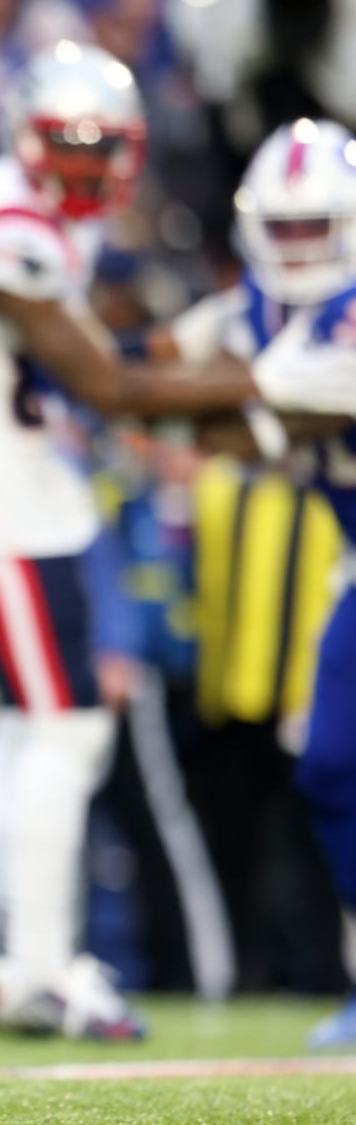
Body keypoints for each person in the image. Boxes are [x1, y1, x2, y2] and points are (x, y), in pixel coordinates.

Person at [0, 42, 270, 1040]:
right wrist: (269, 376)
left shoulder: (30, 216)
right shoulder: (8, 230)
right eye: (68, 142)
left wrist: (186, 347)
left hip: (7, 489)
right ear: (26, 137)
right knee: (63, 728)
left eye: (104, 145)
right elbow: (105, 387)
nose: (88, 164)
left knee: (30, 725)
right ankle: (39, 970)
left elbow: (101, 355)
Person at [173, 118, 356, 1047]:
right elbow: (180, 367)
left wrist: (125, 389)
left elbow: (249, 413)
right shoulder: (251, 310)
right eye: (281, 229)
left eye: (312, 228)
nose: (295, 249)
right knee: (330, 766)